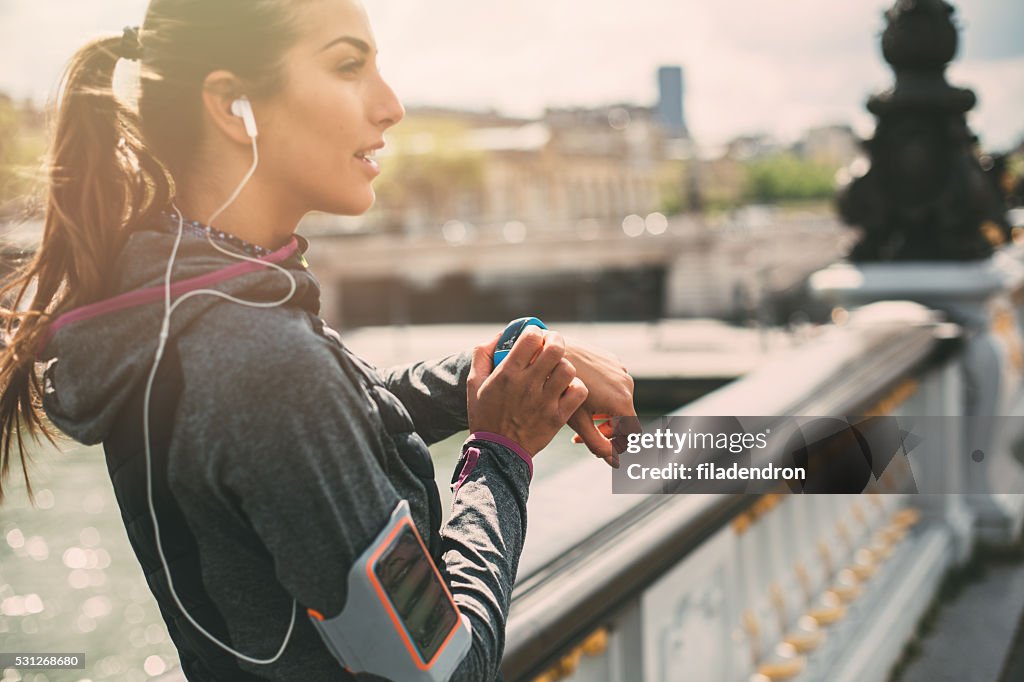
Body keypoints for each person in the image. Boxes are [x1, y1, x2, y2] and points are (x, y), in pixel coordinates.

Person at [0, 1, 637, 680]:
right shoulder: (258, 356)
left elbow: (332, 415)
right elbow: (449, 669)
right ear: (230, 104)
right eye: (347, 65)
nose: (390, 105)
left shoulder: (178, 296)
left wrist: (512, 366)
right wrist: (501, 453)